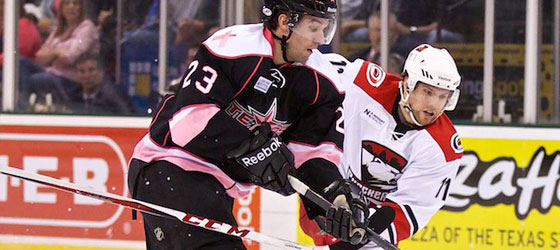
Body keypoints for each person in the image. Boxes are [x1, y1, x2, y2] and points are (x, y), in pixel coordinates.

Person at [127, 0, 357, 249]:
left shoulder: (324, 83)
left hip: (218, 187)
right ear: (283, 22)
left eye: (326, 28)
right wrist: (250, 145)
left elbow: (312, 156)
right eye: (314, 28)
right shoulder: (233, 47)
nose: (321, 39)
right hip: (168, 164)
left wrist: (335, 197)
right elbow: (188, 122)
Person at [300, 44, 464, 249]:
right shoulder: (362, 84)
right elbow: (309, 65)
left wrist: (354, 241)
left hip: (372, 232)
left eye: (443, 96)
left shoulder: (443, 149)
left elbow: (407, 211)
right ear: (407, 84)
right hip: (327, 195)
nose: (434, 105)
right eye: (427, 92)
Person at [28, 0, 100, 109]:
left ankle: (21, 109)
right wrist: (57, 53)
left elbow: (69, 57)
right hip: (52, 72)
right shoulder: (58, 29)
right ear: (61, 8)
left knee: (34, 80)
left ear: (81, 8)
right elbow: (39, 57)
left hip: (71, 79)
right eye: (67, 4)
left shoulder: (86, 27)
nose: (71, 7)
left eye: (75, 4)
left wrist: (52, 54)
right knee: (21, 63)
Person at [66, 53, 133, 114]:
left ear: (101, 72)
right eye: (82, 71)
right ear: (76, 75)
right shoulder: (72, 96)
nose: (87, 76)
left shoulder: (114, 96)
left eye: (91, 70)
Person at [348, 9, 405, 75]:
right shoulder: (356, 59)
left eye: (387, 30)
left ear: (396, 34)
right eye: (377, 30)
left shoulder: (405, 61)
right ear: (369, 33)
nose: (382, 34)